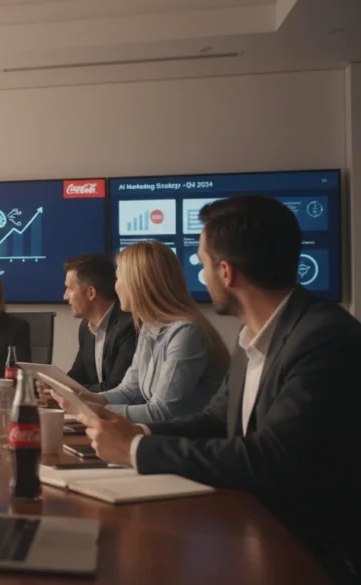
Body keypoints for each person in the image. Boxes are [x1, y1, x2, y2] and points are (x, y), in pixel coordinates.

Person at [70, 196, 359, 584]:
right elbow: (216, 418)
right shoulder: (253, 335)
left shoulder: (323, 339)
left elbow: (270, 456)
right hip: (256, 525)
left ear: (226, 272)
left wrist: (137, 450)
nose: (200, 277)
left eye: (202, 264)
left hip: (309, 554)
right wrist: (138, 433)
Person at [51, 242, 228, 424]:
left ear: (138, 283)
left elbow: (163, 412)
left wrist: (90, 410)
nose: (115, 286)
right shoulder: (149, 327)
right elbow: (128, 391)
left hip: (188, 445)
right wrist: (86, 398)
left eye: (118, 278)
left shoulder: (186, 332)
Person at [63, 254, 137, 392]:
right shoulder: (86, 326)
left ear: (91, 293)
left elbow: (116, 387)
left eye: (70, 288)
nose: (65, 296)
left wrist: (71, 392)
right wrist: (56, 388)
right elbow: (79, 374)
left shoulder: (129, 326)